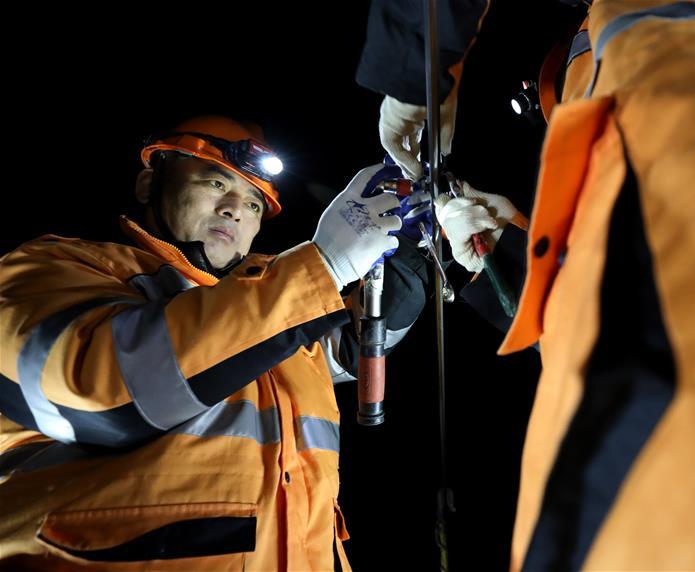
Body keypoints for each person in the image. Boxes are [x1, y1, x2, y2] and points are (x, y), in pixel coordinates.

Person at [357, 1, 695, 569]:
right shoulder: (644, 73)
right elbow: (637, 320)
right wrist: (511, 256)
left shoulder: (679, 57)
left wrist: (415, 65)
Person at [0, 115, 430, 570]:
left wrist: (410, 253)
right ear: (149, 184)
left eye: (254, 204)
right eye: (215, 183)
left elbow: (346, 346)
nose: (235, 209)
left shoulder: (265, 311)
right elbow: (98, 389)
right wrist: (323, 266)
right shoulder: (49, 268)